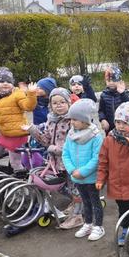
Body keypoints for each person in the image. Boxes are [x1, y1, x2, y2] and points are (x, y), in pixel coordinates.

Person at [23, 87, 84, 230]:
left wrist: (53, 149)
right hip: (57, 163)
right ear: (51, 105)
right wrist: (32, 130)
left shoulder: (72, 121)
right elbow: (46, 141)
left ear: (69, 103)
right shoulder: (51, 120)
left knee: (75, 188)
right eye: (55, 103)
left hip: (72, 161)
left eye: (62, 102)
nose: (59, 105)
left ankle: (77, 217)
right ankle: (80, 205)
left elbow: (74, 145)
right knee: (65, 188)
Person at [96, 102, 129, 246]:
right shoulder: (109, 140)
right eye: (118, 122)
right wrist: (101, 178)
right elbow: (103, 161)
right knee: (124, 210)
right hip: (118, 183)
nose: (120, 126)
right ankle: (126, 229)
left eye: (125, 123)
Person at [62, 99, 105, 241]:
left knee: (95, 201)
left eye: (75, 119)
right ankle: (87, 223)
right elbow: (65, 153)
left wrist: (83, 172)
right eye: (71, 119)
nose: (72, 122)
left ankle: (98, 226)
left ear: (85, 119)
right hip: (76, 175)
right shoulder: (71, 134)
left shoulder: (95, 136)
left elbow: (96, 158)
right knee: (84, 201)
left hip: (90, 177)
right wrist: (72, 170)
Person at [98, 66, 129, 134]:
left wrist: (122, 93)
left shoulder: (124, 93)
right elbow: (101, 110)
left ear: (119, 80)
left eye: (114, 80)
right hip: (110, 127)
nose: (111, 83)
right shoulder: (104, 95)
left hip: (123, 126)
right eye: (108, 80)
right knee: (110, 143)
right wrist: (103, 119)